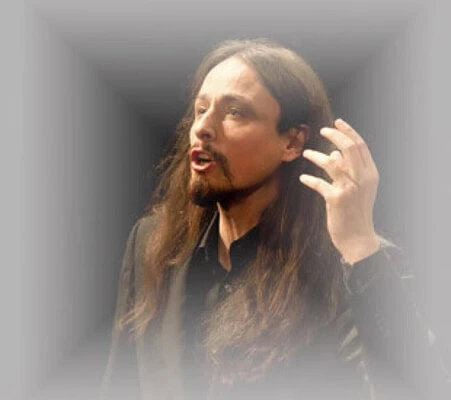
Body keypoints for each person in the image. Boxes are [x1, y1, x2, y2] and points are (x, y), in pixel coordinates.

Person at [101, 39, 450, 400]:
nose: (203, 127)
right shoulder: (153, 243)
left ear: (292, 142)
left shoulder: (350, 267)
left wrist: (361, 246)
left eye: (235, 112)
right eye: (201, 109)